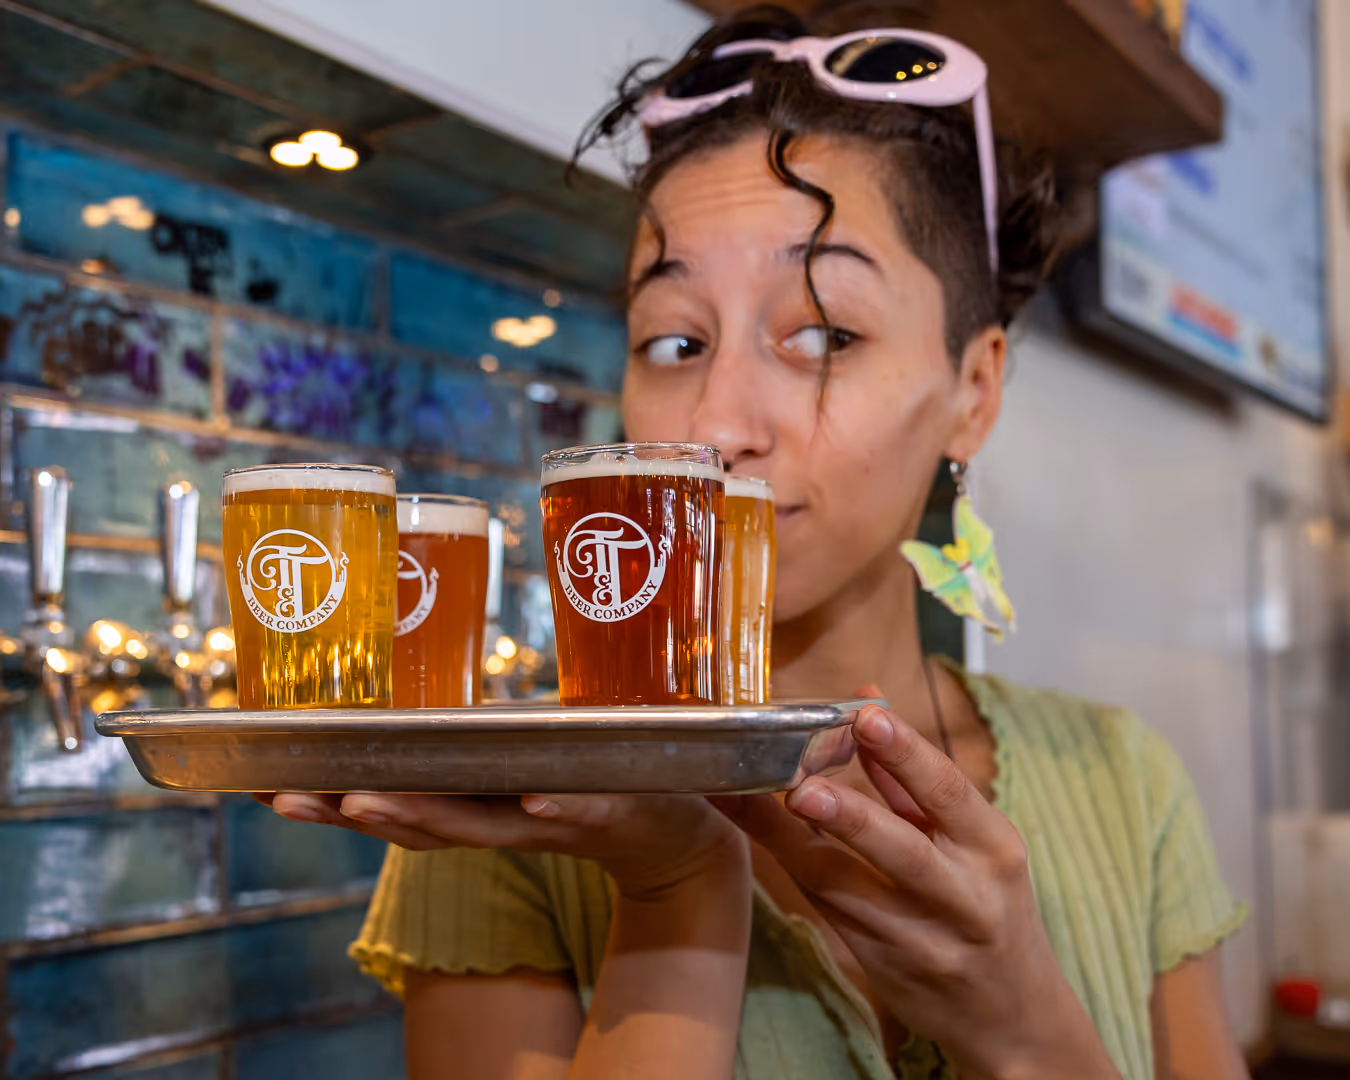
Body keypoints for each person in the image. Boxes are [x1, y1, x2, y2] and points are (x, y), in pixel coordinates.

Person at [266, 8, 1248, 1078]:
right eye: (676, 340)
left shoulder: (1124, 784)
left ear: (974, 391)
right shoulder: (505, 813)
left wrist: (1025, 1031)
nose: (717, 426)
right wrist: (674, 888)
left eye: (823, 332)